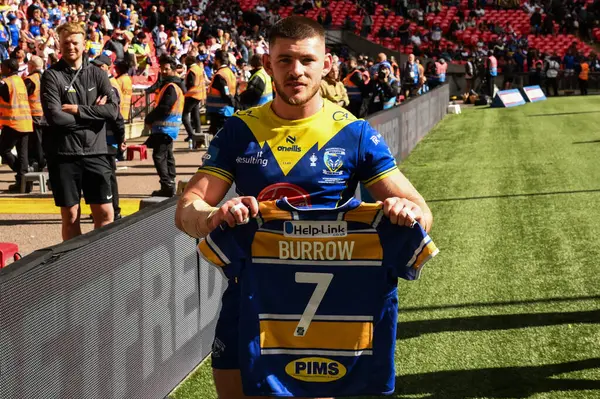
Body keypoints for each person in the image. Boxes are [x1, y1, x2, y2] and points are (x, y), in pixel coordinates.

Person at [174, 16, 433, 399]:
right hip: (250, 307)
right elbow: (187, 210)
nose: (296, 71)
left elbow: (422, 213)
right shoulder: (238, 131)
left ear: (327, 64)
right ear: (267, 65)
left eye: (307, 60)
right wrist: (214, 216)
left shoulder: (354, 133)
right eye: (285, 60)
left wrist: (404, 210)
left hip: (336, 320)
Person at [41, 22, 118, 241]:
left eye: (75, 42)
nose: (71, 47)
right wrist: (95, 115)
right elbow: (55, 117)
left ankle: (104, 260)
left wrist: (77, 110)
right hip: (64, 155)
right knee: (71, 215)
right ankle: (74, 267)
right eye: (66, 43)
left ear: (84, 44)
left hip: (96, 152)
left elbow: (112, 111)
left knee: (105, 213)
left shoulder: (98, 74)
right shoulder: (51, 76)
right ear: (60, 46)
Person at [144, 55, 185, 197]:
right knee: (167, 155)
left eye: (166, 69)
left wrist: (149, 118)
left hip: (164, 127)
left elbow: (164, 107)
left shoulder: (171, 87)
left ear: (174, 70)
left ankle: (167, 185)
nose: (163, 71)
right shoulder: (172, 85)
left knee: (159, 156)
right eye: (162, 68)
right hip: (168, 128)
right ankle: (170, 184)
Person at [92, 54, 126, 219]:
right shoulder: (97, 85)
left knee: (108, 177)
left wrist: (120, 140)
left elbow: (116, 117)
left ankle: (114, 211)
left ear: (108, 68)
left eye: (101, 67)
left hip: (108, 140)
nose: (97, 69)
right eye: (95, 66)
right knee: (99, 176)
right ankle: (104, 209)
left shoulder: (109, 88)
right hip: (97, 140)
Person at [0, 58, 33, 192]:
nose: (1, 69)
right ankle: (24, 182)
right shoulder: (20, 81)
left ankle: (22, 176)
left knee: (3, 150)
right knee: (22, 154)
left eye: (2, 67)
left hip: (13, 122)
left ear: (8, 69)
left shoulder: (6, 83)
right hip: (25, 122)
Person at [205, 49, 239, 137]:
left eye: (214, 59)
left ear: (218, 60)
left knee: (219, 138)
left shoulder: (220, 75)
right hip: (227, 111)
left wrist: (234, 105)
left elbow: (225, 93)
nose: (213, 61)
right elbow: (234, 91)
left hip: (220, 112)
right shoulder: (230, 72)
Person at [24, 55, 46, 173]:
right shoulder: (46, 77)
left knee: (36, 142)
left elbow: (23, 97)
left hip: (34, 114)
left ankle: (39, 163)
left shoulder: (30, 79)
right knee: (42, 140)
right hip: (45, 114)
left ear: (32, 66)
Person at [182, 55, 206, 146]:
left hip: (192, 94)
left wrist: (184, 86)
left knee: (184, 115)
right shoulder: (198, 68)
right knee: (196, 115)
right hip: (199, 94)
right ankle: (198, 132)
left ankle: (191, 134)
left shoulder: (192, 70)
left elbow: (190, 83)